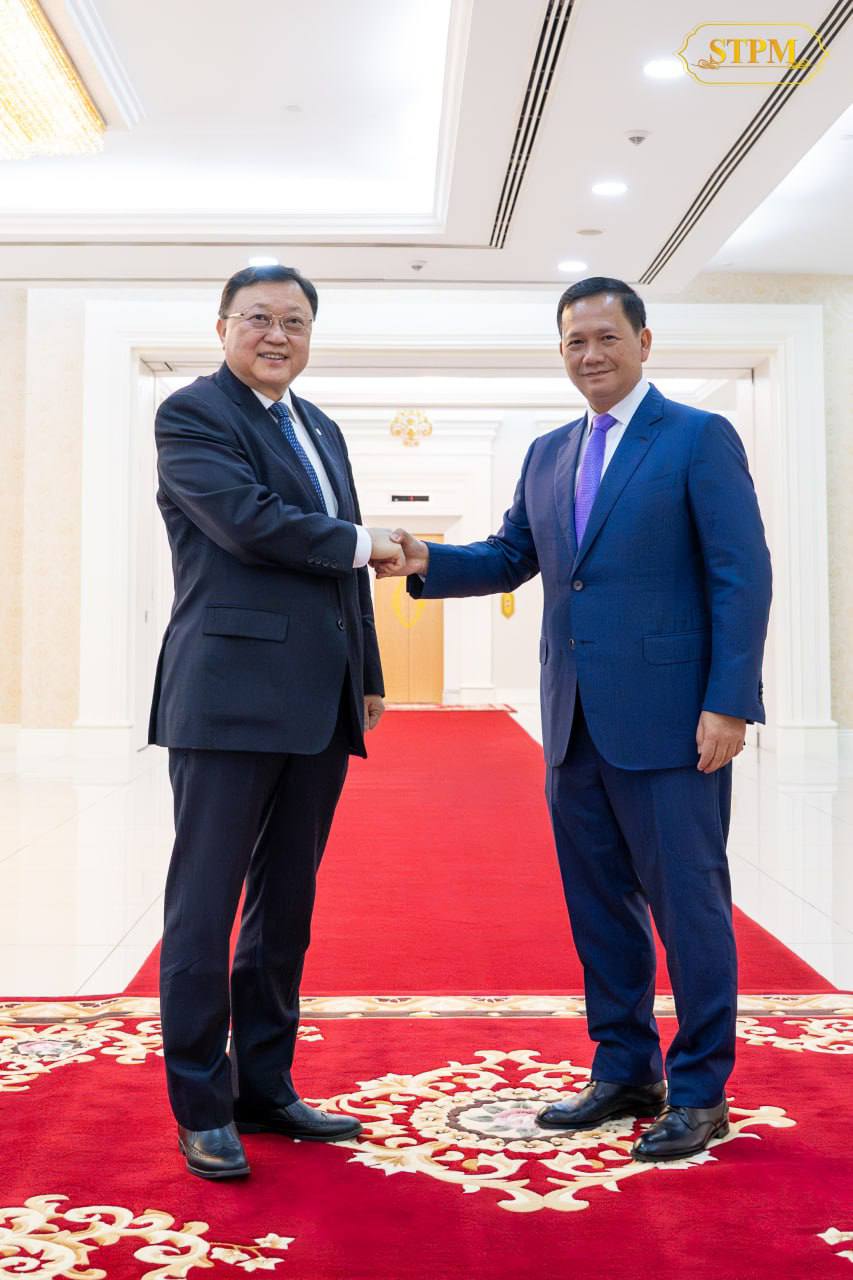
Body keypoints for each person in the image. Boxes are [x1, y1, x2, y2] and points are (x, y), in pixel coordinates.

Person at [380, 277, 772, 1162]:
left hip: (673, 722)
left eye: (605, 337)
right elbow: (509, 555)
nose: (589, 355)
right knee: (599, 907)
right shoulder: (548, 453)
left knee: (689, 907)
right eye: (573, 342)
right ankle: (624, 1068)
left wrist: (728, 701)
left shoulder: (697, 437)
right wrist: (423, 558)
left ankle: (700, 1089)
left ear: (643, 341)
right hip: (572, 722)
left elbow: (741, 574)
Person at [149, 263, 404, 1179]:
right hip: (225, 699)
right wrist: (364, 543)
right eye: (257, 318)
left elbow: (344, 568)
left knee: (284, 908)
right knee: (204, 905)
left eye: (294, 322)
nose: (276, 335)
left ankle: (264, 1086)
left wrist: (366, 671)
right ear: (221, 326)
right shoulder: (192, 414)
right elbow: (247, 522)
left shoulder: (320, 427)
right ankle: (200, 1103)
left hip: (318, 702)